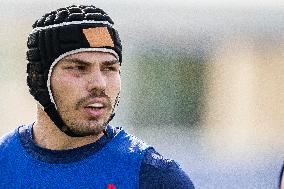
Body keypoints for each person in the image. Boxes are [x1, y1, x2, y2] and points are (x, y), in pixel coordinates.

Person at [0, 5, 195, 189]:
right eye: (79, 68)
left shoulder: (155, 178)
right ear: (37, 78)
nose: (99, 84)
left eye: (109, 68)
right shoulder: (4, 163)